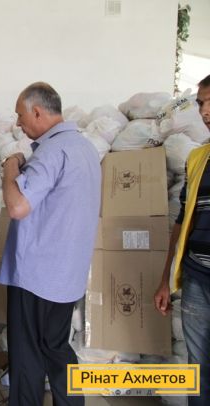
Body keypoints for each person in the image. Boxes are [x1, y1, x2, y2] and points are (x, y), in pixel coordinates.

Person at [0, 82, 101, 406]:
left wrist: (10, 168)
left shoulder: (51, 152)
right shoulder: (84, 148)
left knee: (26, 353)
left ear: (37, 112)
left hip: (37, 275)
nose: (18, 123)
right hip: (66, 276)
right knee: (56, 348)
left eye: (20, 115)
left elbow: (17, 207)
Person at [154, 74, 210, 406]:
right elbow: (182, 221)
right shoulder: (197, 158)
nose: (205, 112)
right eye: (201, 103)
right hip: (197, 279)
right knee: (198, 366)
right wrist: (165, 278)